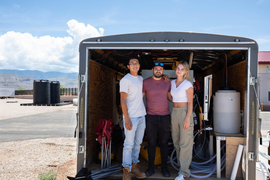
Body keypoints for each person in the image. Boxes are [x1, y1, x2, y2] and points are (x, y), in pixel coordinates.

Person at [120, 58, 147, 180]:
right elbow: (122, 100)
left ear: (139, 66)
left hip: (142, 116)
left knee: (137, 144)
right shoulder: (125, 80)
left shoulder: (141, 79)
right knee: (129, 144)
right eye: (132, 63)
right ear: (128, 66)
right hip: (131, 117)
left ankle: (134, 167)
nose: (135, 65)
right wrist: (127, 119)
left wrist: (166, 76)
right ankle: (126, 170)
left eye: (137, 63)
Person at [142, 62, 171, 177]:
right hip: (151, 117)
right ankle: (151, 167)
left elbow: (171, 97)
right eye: (156, 69)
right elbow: (140, 98)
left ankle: (165, 168)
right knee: (152, 142)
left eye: (160, 69)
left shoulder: (167, 82)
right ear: (152, 69)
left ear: (163, 71)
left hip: (165, 117)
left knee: (164, 143)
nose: (158, 71)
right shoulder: (146, 82)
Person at [168, 61, 194, 180]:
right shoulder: (172, 83)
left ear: (185, 72)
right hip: (174, 112)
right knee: (176, 142)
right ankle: (181, 168)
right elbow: (170, 98)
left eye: (182, 69)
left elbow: (190, 103)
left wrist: (188, 118)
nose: (179, 70)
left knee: (185, 143)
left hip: (185, 113)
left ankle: (184, 173)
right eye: (178, 68)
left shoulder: (188, 84)